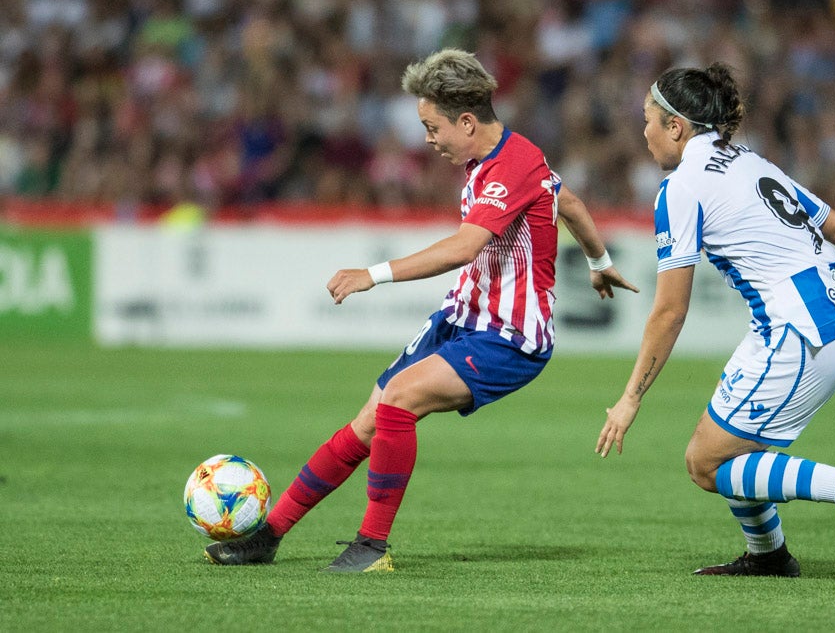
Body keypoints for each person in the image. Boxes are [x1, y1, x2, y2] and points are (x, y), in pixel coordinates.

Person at [204, 48, 638, 572]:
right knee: (368, 420)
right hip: (461, 319)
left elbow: (463, 247)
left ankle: (371, 547)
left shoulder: (512, 165)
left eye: (433, 127)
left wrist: (373, 274)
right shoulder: (505, 161)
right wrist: (599, 259)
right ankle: (268, 536)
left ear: (468, 121)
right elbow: (567, 202)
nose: (428, 140)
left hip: (510, 337)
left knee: (399, 401)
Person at [596, 63, 835, 577]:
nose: (642, 131)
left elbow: (670, 310)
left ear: (676, 126)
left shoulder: (681, 188)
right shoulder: (748, 161)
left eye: (647, 119)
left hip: (802, 330)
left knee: (706, 463)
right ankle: (769, 556)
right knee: (731, 449)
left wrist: (630, 398)